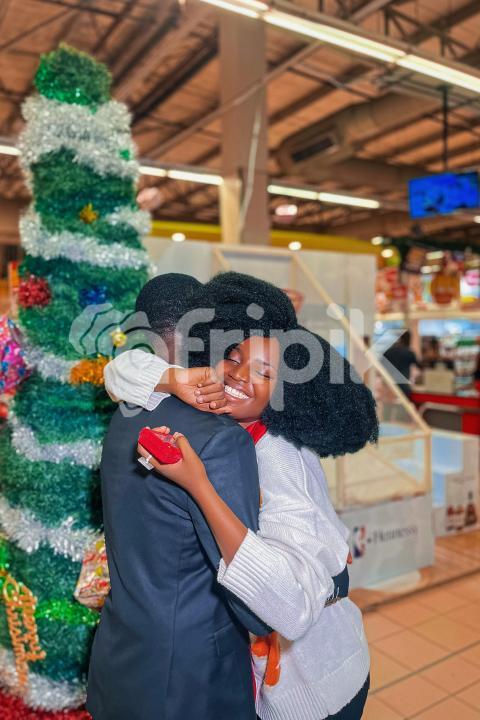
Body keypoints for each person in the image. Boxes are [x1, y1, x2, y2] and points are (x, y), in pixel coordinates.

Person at [106, 272, 378, 719]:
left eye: (264, 372)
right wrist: (174, 379)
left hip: (320, 692)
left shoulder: (280, 456)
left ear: (285, 392)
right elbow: (120, 371)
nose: (238, 375)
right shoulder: (226, 420)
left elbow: (290, 608)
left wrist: (199, 487)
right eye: (235, 357)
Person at [87, 273, 273, 720]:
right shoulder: (221, 439)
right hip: (194, 677)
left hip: (123, 653)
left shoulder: (123, 416)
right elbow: (247, 582)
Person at [382, 330, 421, 398]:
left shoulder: (389, 351)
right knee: (403, 406)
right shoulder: (409, 352)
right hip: (403, 386)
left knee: (388, 406)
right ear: (409, 339)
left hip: (389, 385)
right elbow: (419, 366)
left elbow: (382, 363)